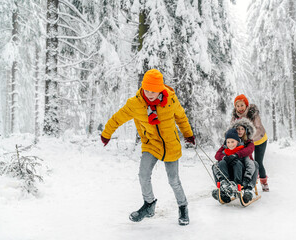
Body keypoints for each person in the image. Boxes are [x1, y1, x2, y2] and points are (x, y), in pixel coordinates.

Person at [100, 69, 195, 226]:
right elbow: (118, 118)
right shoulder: (135, 104)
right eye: (147, 89)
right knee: (143, 175)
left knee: (173, 180)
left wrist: (188, 134)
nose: (150, 93)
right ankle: (149, 205)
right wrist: (106, 133)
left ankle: (183, 206)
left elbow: (181, 117)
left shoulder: (170, 100)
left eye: (154, 90)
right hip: (150, 144)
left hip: (170, 145)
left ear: (160, 89)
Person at [212, 118, 258, 203]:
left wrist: (236, 155)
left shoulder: (248, 142)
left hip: (245, 166)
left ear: (246, 130)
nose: (240, 131)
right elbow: (218, 154)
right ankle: (223, 187)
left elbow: (249, 150)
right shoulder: (230, 140)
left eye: (242, 129)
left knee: (255, 164)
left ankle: (248, 189)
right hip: (230, 167)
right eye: (238, 129)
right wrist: (224, 157)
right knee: (216, 165)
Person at [231, 94, 269, 192]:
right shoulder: (235, 117)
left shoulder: (253, 114)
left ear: (246, 105)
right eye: (238, 106)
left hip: (259, 139)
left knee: (258, 162)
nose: (240, 108)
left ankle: (264, 181)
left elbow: (258, 127)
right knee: (248, 161)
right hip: (247, 142)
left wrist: (248, 138)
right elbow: (232, 129)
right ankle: (250, 179)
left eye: (242, 105)